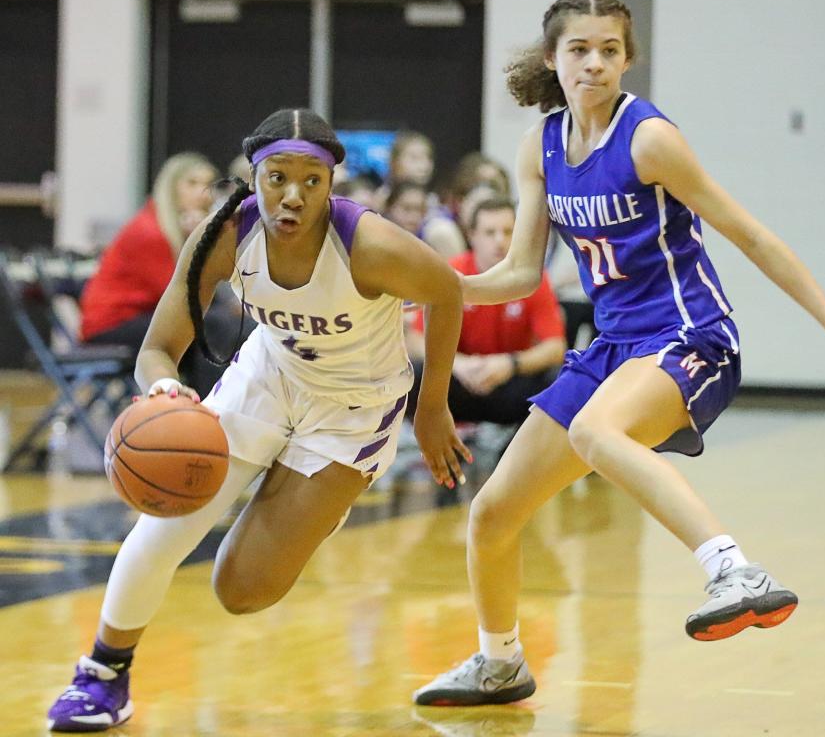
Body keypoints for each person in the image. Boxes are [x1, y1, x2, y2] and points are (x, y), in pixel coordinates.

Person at [412, 0, 825, 707]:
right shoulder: (543, 147)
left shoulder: (648, 139)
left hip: (690, 335)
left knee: (598, 430)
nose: (595, 63)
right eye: (580, 50)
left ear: (627, 59)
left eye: (610, 51)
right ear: (553, 58)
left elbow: (750, 234)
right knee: (493, 513)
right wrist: (427, 286)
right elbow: (521, 274)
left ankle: (733, 569)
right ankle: (500, 662)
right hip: (616, 346)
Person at [46, 108, 470, 732]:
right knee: (164, 527)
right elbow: (157, 348)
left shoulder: (368, 244)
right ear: (254, 176)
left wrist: (430, 408)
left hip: (353, 408)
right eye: (277, 177)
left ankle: (312, 498)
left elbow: (448, 293)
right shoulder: (224, 234)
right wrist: (167, 394)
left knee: (241, 591)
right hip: (267, 377)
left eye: (310, 181)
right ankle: (103, 675)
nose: (292, 195)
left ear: (331, 184)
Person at [78, 152, 236, 397]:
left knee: (217, 325)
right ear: (171, 188)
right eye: (191, 183)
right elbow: (182, 295)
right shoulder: (150, 232)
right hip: (111, 324)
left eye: (207, 184)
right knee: (214, 324)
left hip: (142, 315)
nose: (201, 192)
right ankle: (210, 401)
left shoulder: (172, 228)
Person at [406, 196, 566, 426]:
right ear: (472, 236)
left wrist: (509, 364)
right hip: (460, 378)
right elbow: (415, 339)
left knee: (558, 379)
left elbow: (555, 348)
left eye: (508, 232)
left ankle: (518, 451)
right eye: (490, 232)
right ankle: (429, 445)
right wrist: (456, 364)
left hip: (509, 381)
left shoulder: (534, 279)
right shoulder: (452, 273)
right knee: (415, 374)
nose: (500, 241)